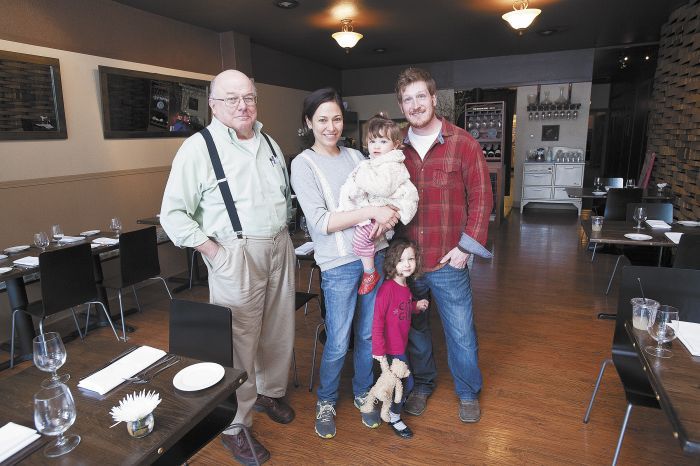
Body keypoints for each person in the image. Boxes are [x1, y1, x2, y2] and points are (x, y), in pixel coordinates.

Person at [160, 69, 295, 465]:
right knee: (238, 340)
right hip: (235, 253)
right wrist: (213, 251)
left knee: (277, 329)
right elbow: (172, 213)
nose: (242, 105)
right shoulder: (198, 148)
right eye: (232, 98)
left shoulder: (269, 142)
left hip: (279, 246)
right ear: (214, 105)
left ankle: (271, 392)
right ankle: (235, 424)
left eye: (249, 97)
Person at [290, 88, 401, 439]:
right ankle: (325, 400)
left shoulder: (356, 156)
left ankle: (362, 391)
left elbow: (381, 198)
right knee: (338, 340)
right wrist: (370, 212)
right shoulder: (302, 164)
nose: (330, 126)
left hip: (375, 257)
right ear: (309, 123)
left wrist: (387, 217)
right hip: (338, 265)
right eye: (322, 119)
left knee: (368, 334)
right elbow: (322, 222)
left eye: (336, 118)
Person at [394, 67, 493, 423]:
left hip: (448, 261)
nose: (415, 104)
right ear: (401, 105)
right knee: (415, 332)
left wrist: (466, 248)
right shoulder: (394, 149)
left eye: (421, 96)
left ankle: (467, 392)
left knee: (461, 334)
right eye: (408, 99)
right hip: (407, 264)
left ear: (434, 99)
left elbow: (482, 198)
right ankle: (422, 385)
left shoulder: (463, 143)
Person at [337, 115, 418, 295]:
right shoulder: (375, 163)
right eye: (373, 141)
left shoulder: (393, 164)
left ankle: (369, 273)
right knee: (361, 239)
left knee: (360, 240)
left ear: (396, 144)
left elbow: (381, 188)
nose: (376, 146)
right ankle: (370, 270)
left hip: (386, 206)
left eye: (383, 141)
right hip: (377, 210)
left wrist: (360, 176)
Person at [371, 239, 429, 439]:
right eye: (401, 259)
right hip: (390, 350)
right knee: (407, 384)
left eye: (411, 259)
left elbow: (404, 308)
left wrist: (416, 306)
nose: (407, 264)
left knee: (400, 384)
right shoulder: (387, 290)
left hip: (400, 347)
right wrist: (379, 351)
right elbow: (377, 321)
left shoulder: (405, 287)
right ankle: (394, 416)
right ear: (391, 263)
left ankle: (392, 405)